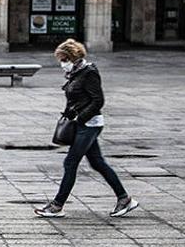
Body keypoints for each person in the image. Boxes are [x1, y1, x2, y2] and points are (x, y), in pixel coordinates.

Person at [34, 38, 139, 219]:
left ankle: (57, 205)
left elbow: (98, 100)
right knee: (97, 162)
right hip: (84, 124)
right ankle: (124, 199)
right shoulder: (76, 73)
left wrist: (80, 118)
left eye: (63, 59)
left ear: (72, 58)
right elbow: (76, 98)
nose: (62, 64)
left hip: (89, 124)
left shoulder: (89, 72)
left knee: (70, 162)